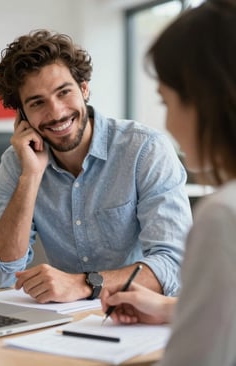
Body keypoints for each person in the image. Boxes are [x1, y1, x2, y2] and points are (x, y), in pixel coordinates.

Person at [0, 29, 192, 303]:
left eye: (63, 92)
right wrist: (30, 177)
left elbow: (175, 265)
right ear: (22, 115)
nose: (56, 112)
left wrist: (85, 284)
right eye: (37, 102)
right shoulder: (17, 162)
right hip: (61, 322)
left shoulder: (144, 149)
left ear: (84, 88)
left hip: (142, 315)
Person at [101, 1, 236, 365]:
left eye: (165, 102)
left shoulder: (223, 216)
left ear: (206, 100)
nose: (168, 125)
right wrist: (170, 308)